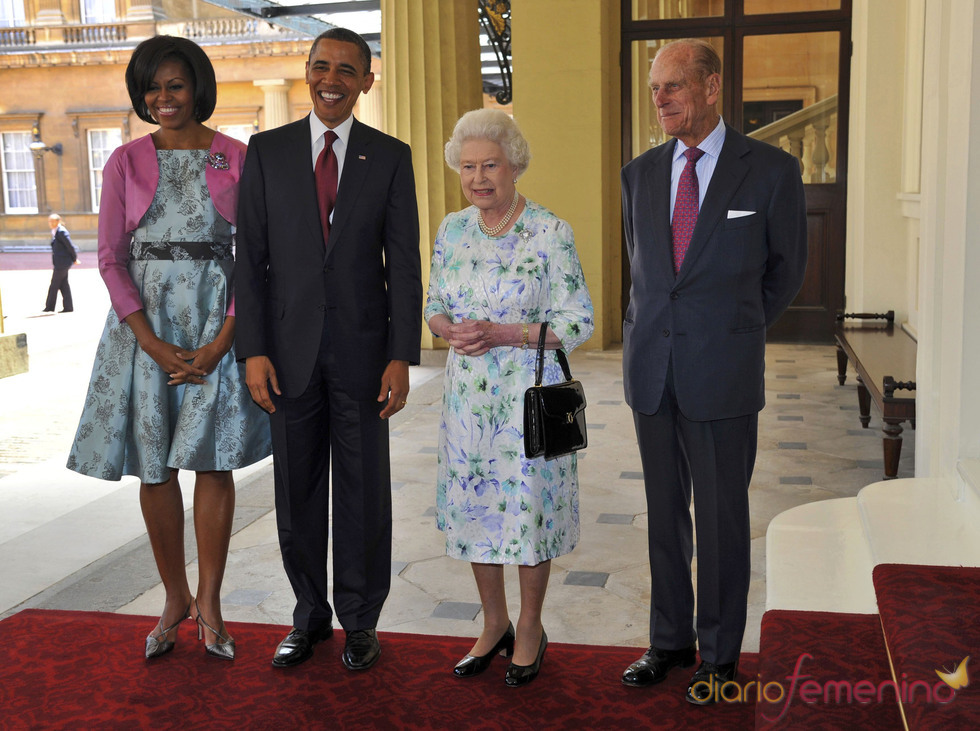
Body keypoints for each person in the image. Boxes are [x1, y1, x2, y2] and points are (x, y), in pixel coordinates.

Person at [67, 35, 271, 662]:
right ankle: (173, 598)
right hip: (143, 334)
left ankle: (209, 601)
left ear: (199, 88)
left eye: (175, 86)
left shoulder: (238, 156)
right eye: (152, 88)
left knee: (212, 462)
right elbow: (108, 259)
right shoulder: (124, 161)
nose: (163, 98)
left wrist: (223, 341)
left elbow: (256, 259)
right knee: (155, 468)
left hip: (218, 326)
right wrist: (152, 343)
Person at [619, 39, 807, 704]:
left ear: (709, 88)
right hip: (651, 370)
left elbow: (786, 270)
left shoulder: (771, 171)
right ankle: (669, 640)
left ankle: (720, 654)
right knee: (663, 513)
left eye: (672, 86)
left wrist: (734, 325)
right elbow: (647, 272)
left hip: (722, 372)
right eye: (655, 89)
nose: (661, 99)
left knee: (722, 517)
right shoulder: (639, 174)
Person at [235, 27, 422, 672]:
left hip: (367, 357)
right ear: (306, 72)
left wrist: (402, 353)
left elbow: (404, 263)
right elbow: (250, 261)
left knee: (365, 492)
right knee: (297, 493)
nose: (332, 79)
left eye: (347, 69)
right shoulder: (267, 152)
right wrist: (252, 350)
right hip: (286, 357)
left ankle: (361, 620)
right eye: (321, 67)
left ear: (367, 81)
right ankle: (309, 616)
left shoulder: (390, 157)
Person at [425, 108, 594, 687]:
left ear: (513, 164)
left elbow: (578, 321)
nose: (478, 178)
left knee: (527, 514)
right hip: (468, 403)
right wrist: (447, 329)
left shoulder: (550, 231)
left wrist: (505, 333)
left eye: (490, 165)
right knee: (478, 512)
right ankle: (492, 622)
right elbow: (433, 306)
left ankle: (529, 626)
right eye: (468, 167)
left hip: (526, 399)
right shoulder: (451, 230)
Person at [43, 213, 76, 313]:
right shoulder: (56, 231)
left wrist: (74, 258)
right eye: (49, 221)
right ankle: (68, 307)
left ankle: (49, 307)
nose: (50, 223)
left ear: (58, 221)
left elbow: (70, 246)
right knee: (63, 284)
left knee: (54, 284)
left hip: (63, 263)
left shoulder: (61, 232)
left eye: (52, 221)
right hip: (60, 262)